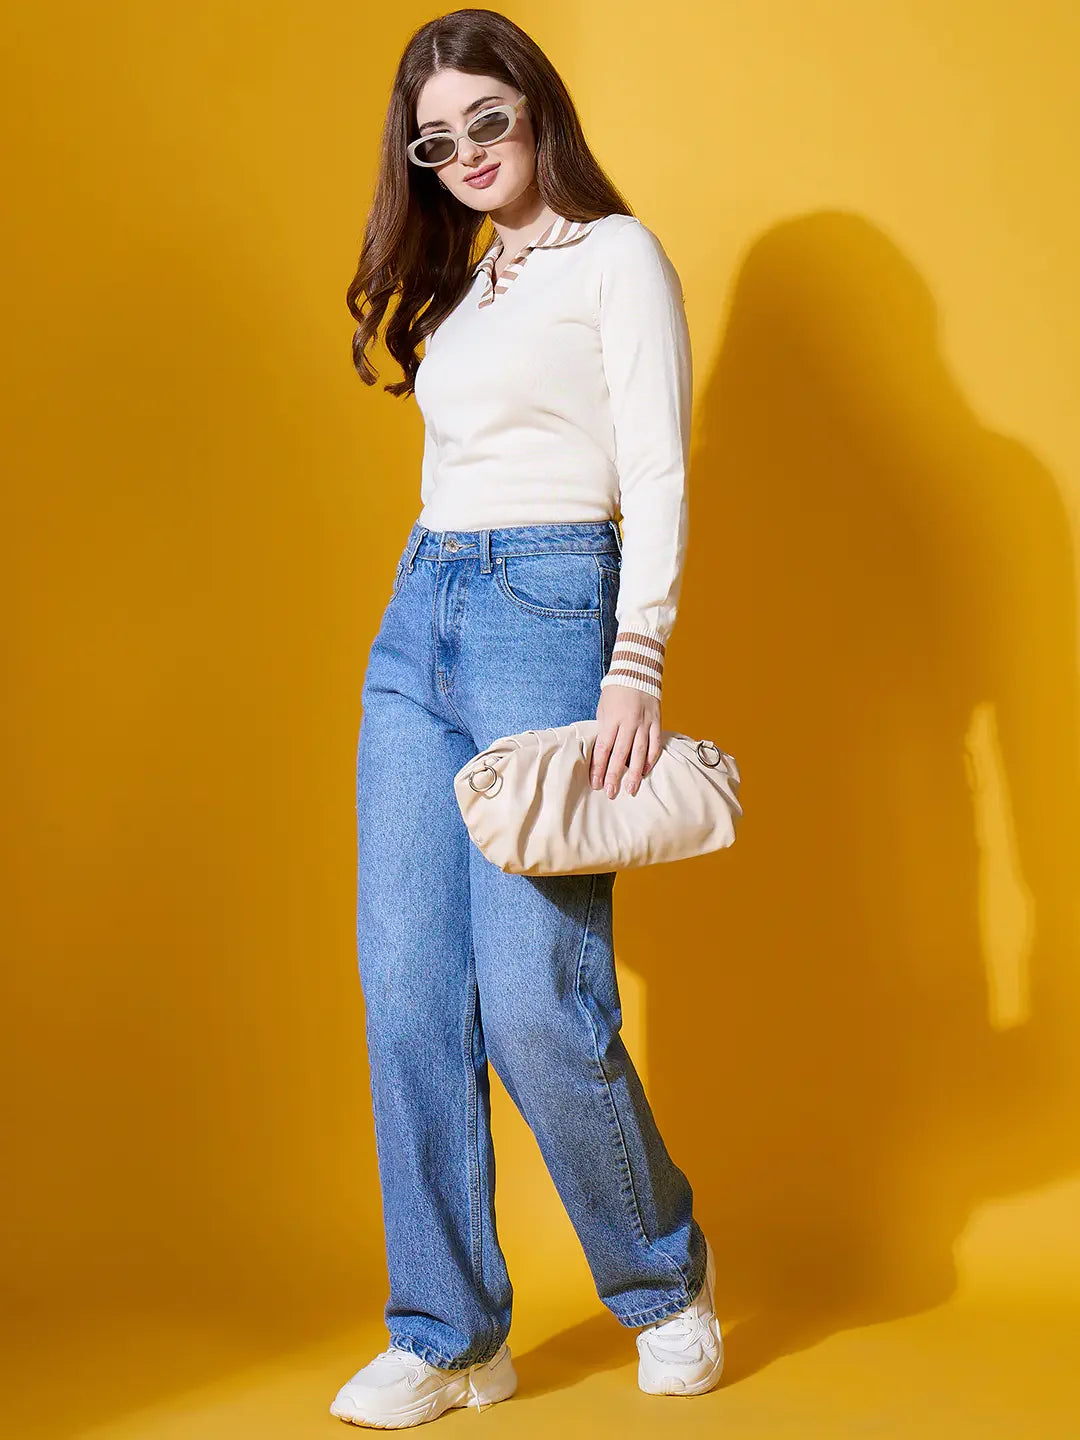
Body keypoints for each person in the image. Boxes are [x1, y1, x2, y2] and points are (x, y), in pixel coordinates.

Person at [331, 9, 722, 1427]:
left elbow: (658, 468)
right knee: (411, 994)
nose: (466, 156)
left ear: (535, 108)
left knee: (541, 1004)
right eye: (437, 143)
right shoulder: (476, 285)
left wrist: (638, 658)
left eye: (485, 121)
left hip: (554, 613)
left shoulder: (618, 255)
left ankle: (666, 1281)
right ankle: (451, 1334)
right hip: (420, 612)